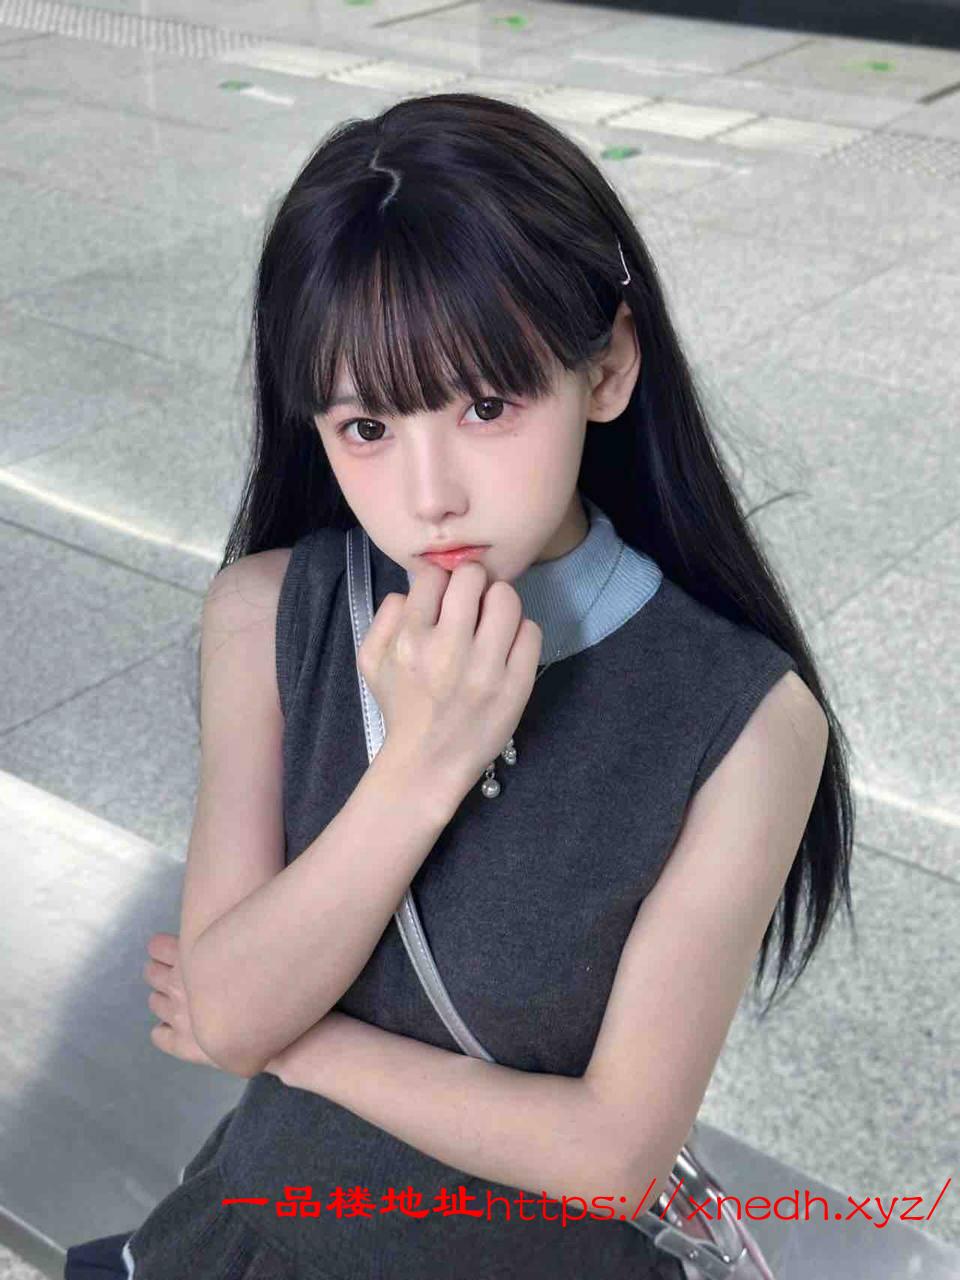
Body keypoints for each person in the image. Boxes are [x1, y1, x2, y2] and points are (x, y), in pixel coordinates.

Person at [67, 92, 853, 1279]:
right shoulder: (266, 613)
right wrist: (422, 764)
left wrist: (301, 1043)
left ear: (607, 367)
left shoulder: (744, 719)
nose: (429, 493)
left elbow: (615, 1154)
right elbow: (225, 1012)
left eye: (487, 405)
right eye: (367, 426)